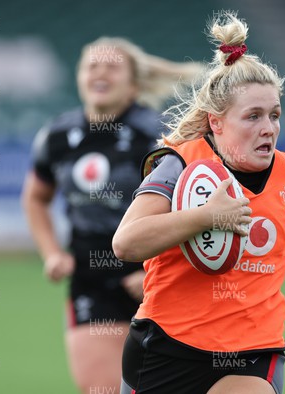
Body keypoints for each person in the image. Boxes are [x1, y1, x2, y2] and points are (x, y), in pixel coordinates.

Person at [113, 12, 285, 394]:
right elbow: (125, 244)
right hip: (167, 347)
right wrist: (206, 217)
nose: (269, 128)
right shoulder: (179, 163)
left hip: (253, 351)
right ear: (217, 122)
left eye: (275, 115)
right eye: (253, 116)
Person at [21, 37, 201, 393]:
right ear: (79, 77)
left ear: (133, 84)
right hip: (91, 281)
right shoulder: (56, 136)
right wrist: (52, 253)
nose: (100, 72)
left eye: (112, 66)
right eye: (91, 66)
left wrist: (153, 264)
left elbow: (192, 207)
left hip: (158, 280)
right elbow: (35, 198)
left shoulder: (161, 136)